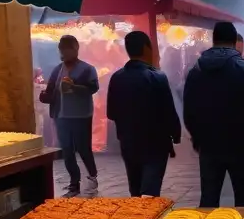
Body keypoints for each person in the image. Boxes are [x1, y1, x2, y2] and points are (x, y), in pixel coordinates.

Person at [183, 22, 244, 207]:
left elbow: (188, 107)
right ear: (234, 40)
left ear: (214, 40)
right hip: (241, 144)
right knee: (243, 199)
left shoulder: (196, 70)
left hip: (208, 143)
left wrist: (197, 137)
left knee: (209, 199)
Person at [106, 31, 181, 197]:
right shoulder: (157, 77)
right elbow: (168, 111)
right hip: (155, 144)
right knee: (150, 192)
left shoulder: (116, 78)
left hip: (129, 143)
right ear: (147, 48)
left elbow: (111, 113)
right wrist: (176, 135)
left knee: (135, 191)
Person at [40, 35, 99, 197]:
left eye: (66, 49)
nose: (63, 52)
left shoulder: (87, 69)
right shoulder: (57, 69)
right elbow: (50, 90)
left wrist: (74, 87)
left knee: (83, 148)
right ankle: (74, 183)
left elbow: (93, 87)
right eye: (61, 49)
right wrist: (44, 95)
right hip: (61, 116)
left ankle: (92, 175)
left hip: (81, 115)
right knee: (67, 150)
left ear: (75, 49)